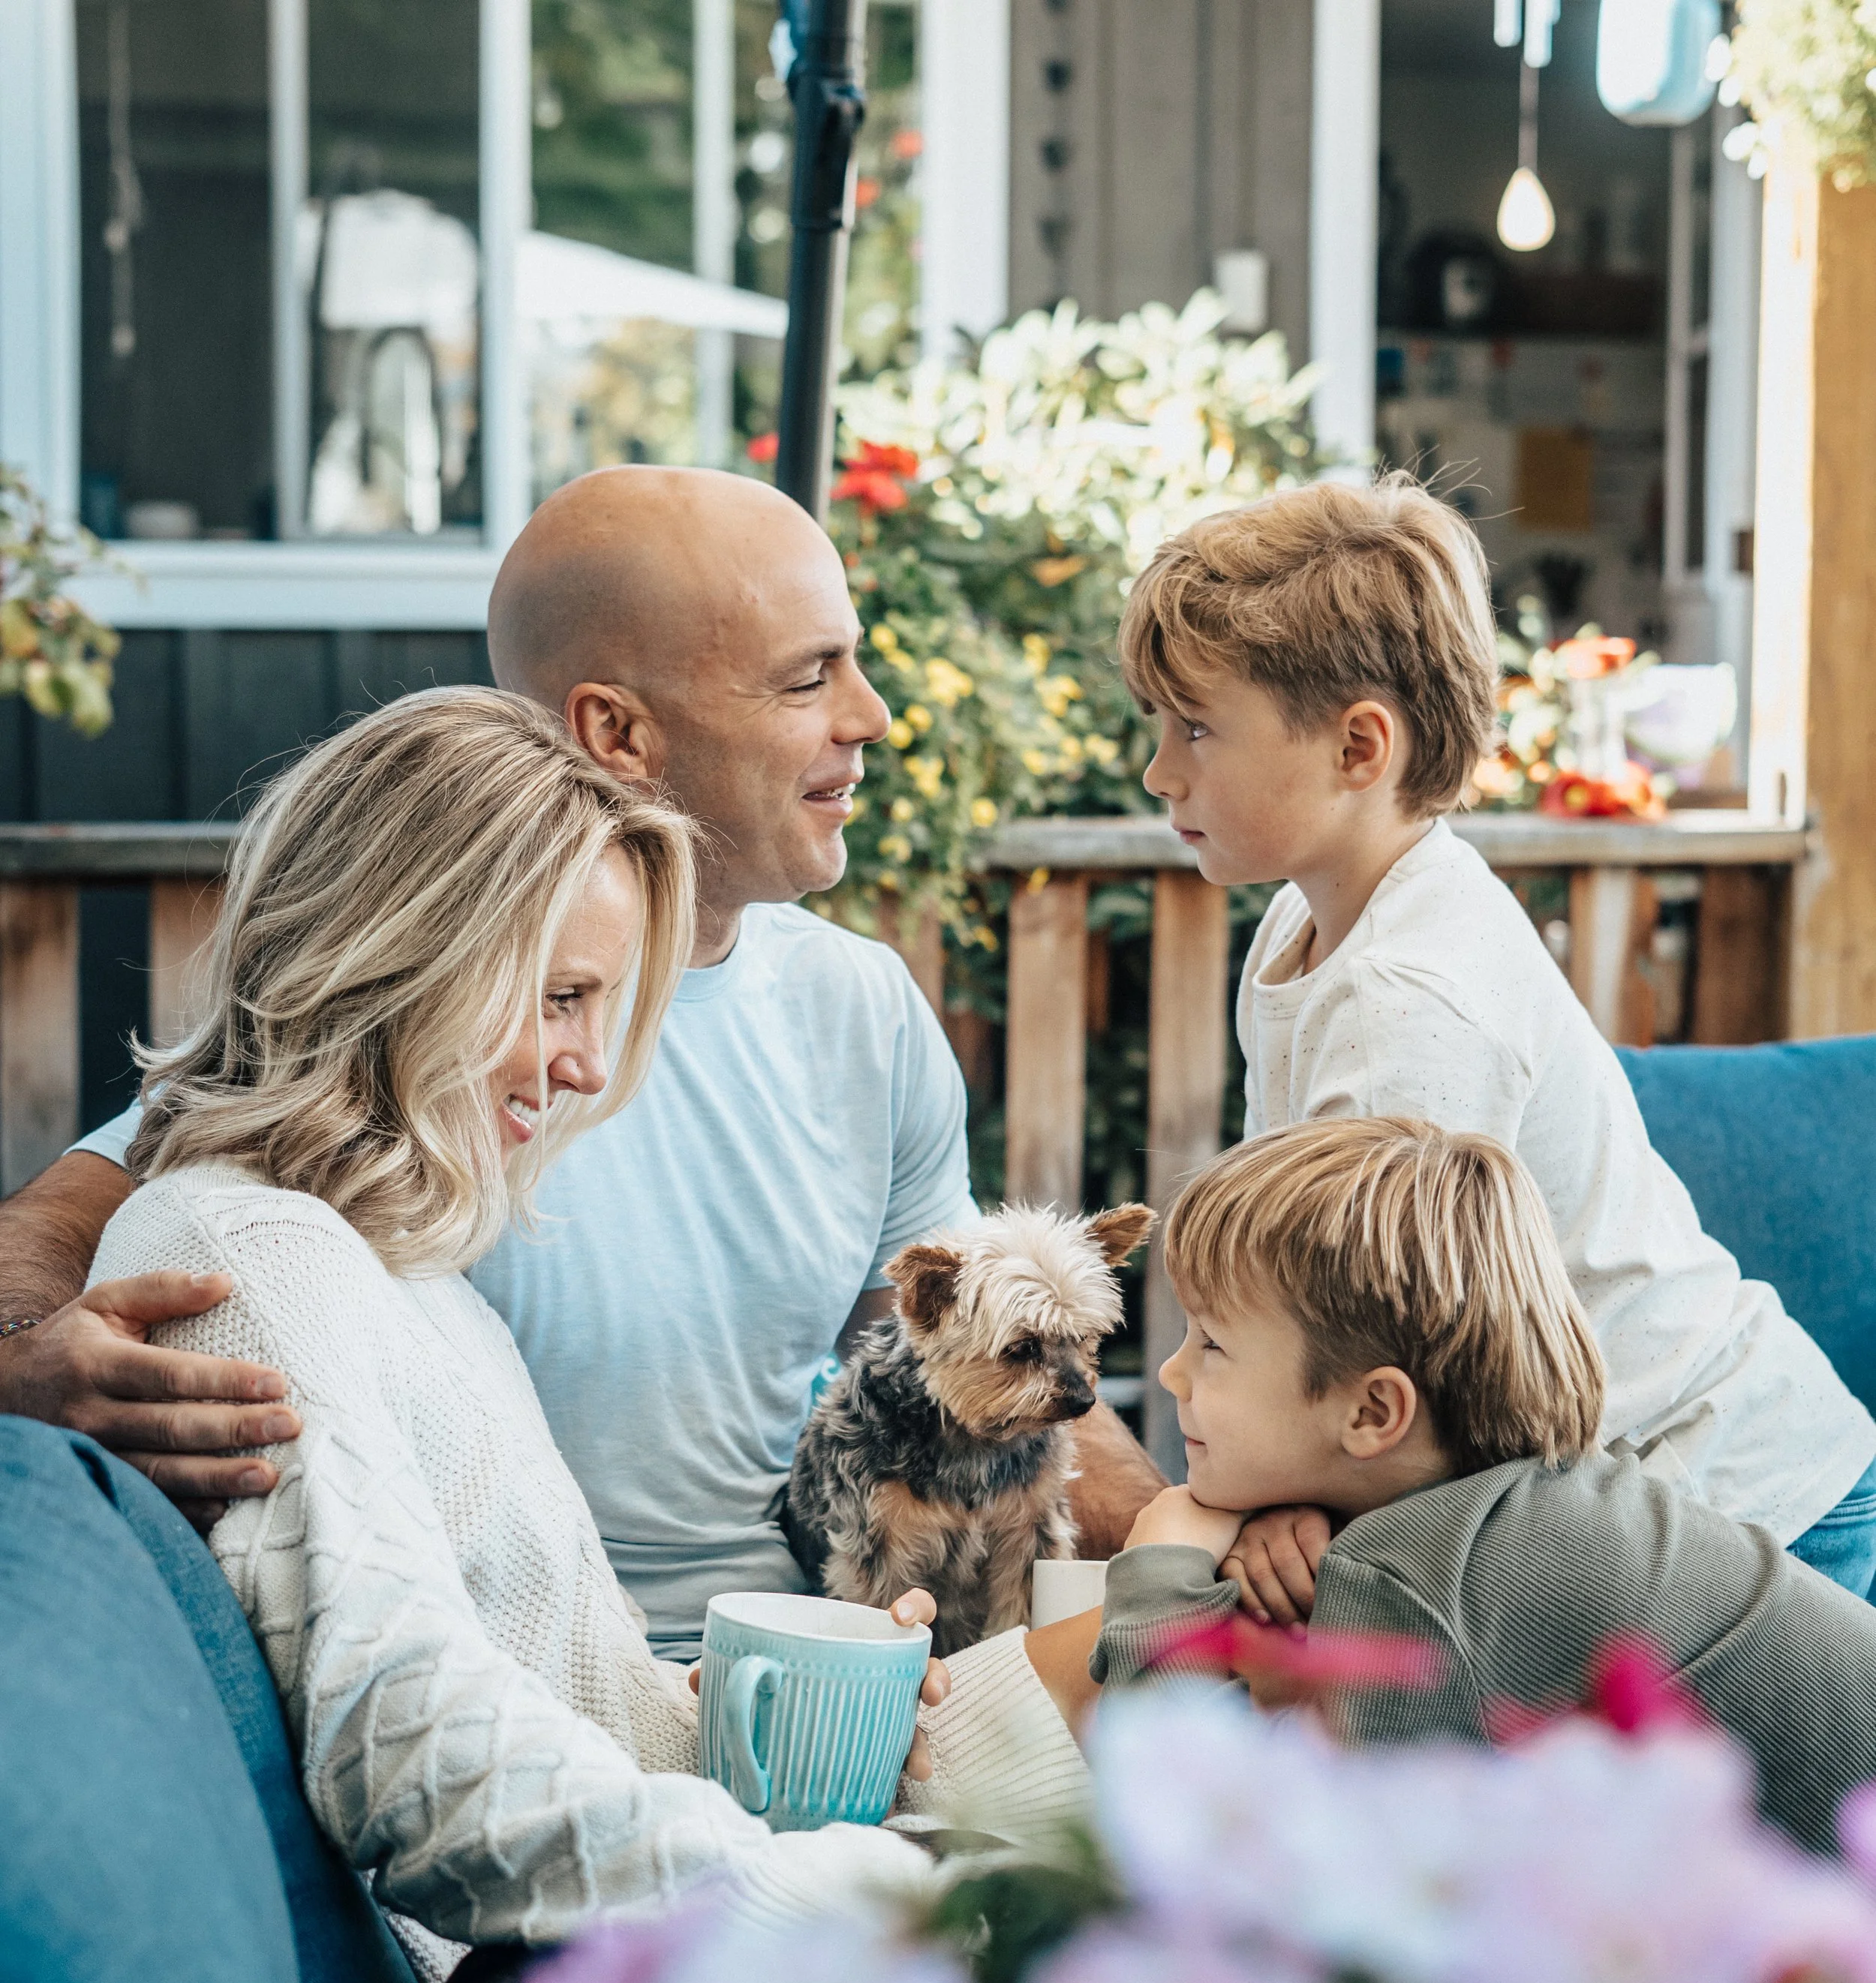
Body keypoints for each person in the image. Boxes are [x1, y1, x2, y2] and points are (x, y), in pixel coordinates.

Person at [0, 467, 1177, 1658]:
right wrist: (20, 1362)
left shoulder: (859, 1005)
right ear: (616, 730)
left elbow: (992, 1368)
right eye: (808, 677)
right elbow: (75, 1219)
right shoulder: (440, 1025)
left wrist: (1203, 1531)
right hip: (531, 1658)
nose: (870, 715)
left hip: (812, 1652)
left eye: (854, 662)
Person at [80, 687, 1087, 1963]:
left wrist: (815, 1739)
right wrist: (851, 1901)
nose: (588, 1069)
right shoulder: (251, 1258)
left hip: (616, 1932)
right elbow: (413, 1756)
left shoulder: (419, 1281)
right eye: (560, 998)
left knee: (1136, 1705)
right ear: (402, 953)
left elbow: (553, 1689)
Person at [1117, 473, 1876, 1614]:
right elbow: (1302, 1292)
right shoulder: (1304, 916)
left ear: (1358, 747)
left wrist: (1281, 1502)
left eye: (1197, 728)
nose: (1159, 771)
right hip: (1593, 1493)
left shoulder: (1408, 1002)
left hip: (1748, 1502)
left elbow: (1428, 1362)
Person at [1087, 1117, 1876, 1858]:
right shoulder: (1523, 1505)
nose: (1171, 1371)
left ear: (1371, 1411)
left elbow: (1218, 1846)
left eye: (1211, 1343)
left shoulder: (1423, 1570)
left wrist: (1164, 1563)